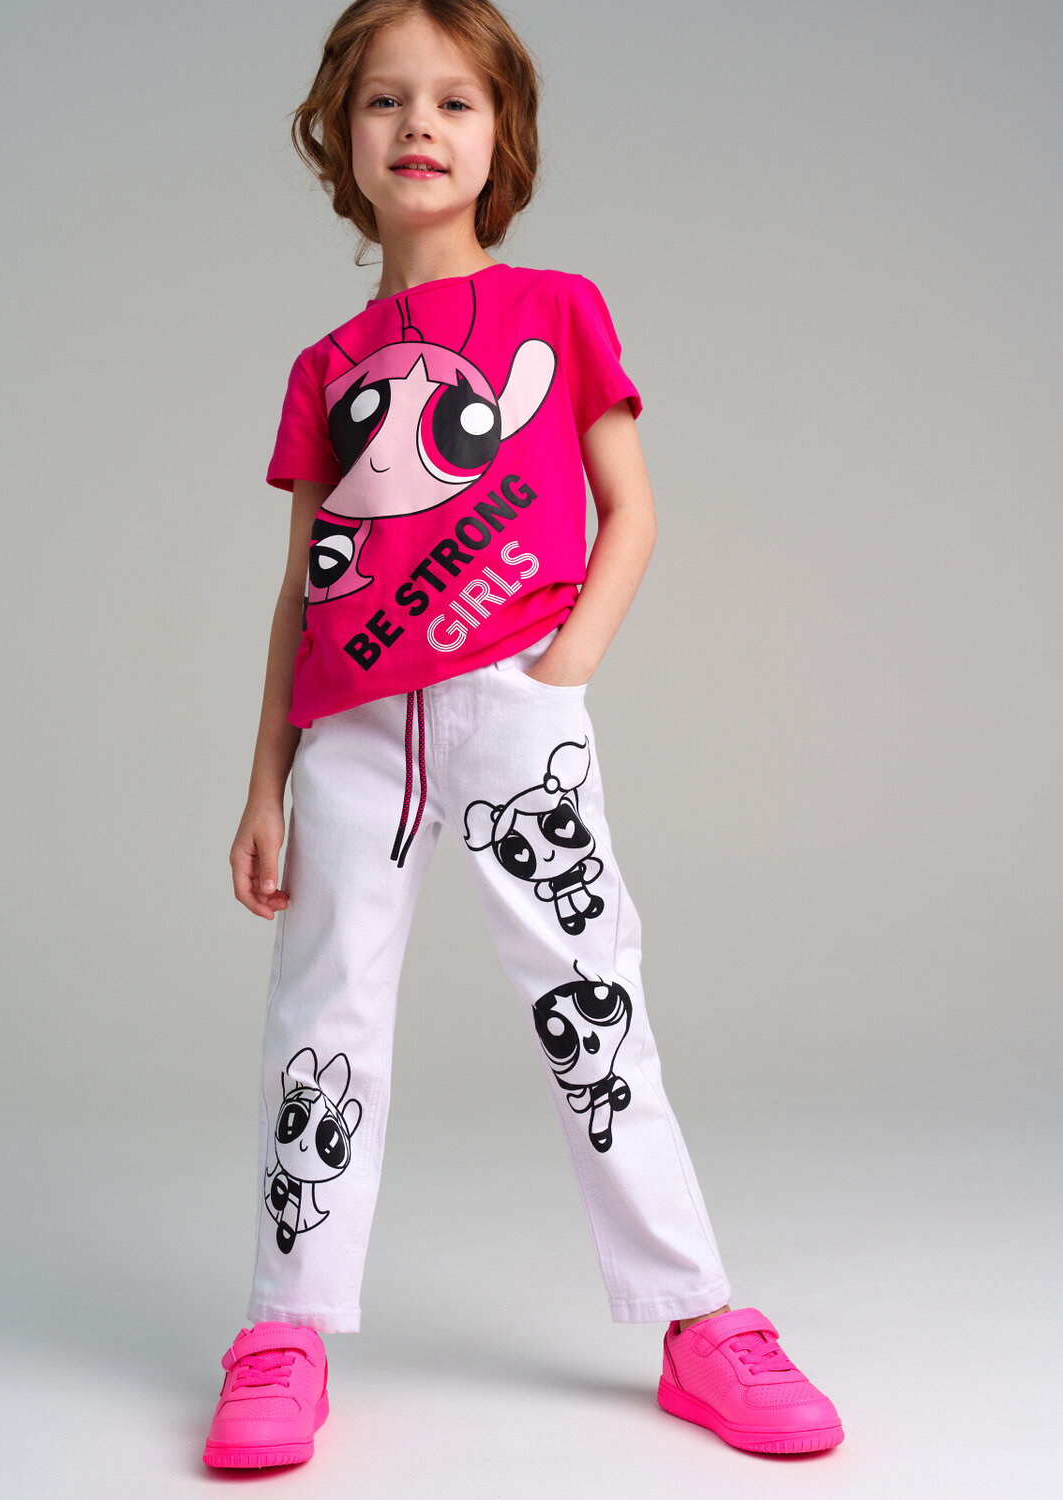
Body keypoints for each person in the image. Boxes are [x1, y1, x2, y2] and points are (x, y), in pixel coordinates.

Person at [202, 0, 844, 1471]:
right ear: (340, 139)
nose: (417, 126)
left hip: (515, 711)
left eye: (453, 102)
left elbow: (634, 510)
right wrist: (264, 782)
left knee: (590, 1001)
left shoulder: (557, 309)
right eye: (383, 101)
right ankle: (284, 1329)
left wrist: (559, 677)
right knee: (323, 1019)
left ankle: (698, 1319)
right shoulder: (326, 364)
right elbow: (303, 587)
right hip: (353, 736)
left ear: (503, 140)